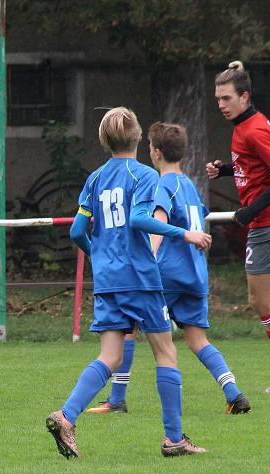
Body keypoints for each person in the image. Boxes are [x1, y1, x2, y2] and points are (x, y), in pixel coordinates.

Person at [46, 107, 212, 459]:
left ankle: (66, 415)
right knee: (166, 352)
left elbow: (77, 231)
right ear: (138, 137)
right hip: (140, 278)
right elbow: (138, 219)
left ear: (105, 140)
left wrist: (100, 256)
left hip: (108, 281)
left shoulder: (95, 178)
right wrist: (186, 234)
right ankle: (174, 439)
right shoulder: (145, 176)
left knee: (110, 355)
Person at [88, 122, 250, 415]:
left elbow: (158, 224)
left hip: (167, 275)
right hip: (195, 274)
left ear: (156, 152)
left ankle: (117, 398)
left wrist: (144, 258)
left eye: (150, 147)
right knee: (197, 340)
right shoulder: (189, 184)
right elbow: (199, 220)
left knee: (127, 328)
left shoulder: (162, 184)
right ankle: (233, 393)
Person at [206, 61, 270, 344]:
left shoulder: (254, 131)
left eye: (227, 98)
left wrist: (249, 211)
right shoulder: (243, 125)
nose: (221, 104)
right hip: (260, 220)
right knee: (260, 301)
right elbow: (253, 166)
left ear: (244, 97)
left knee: (260, 301)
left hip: (265, 222)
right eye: (218, 98)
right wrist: (225, 171)